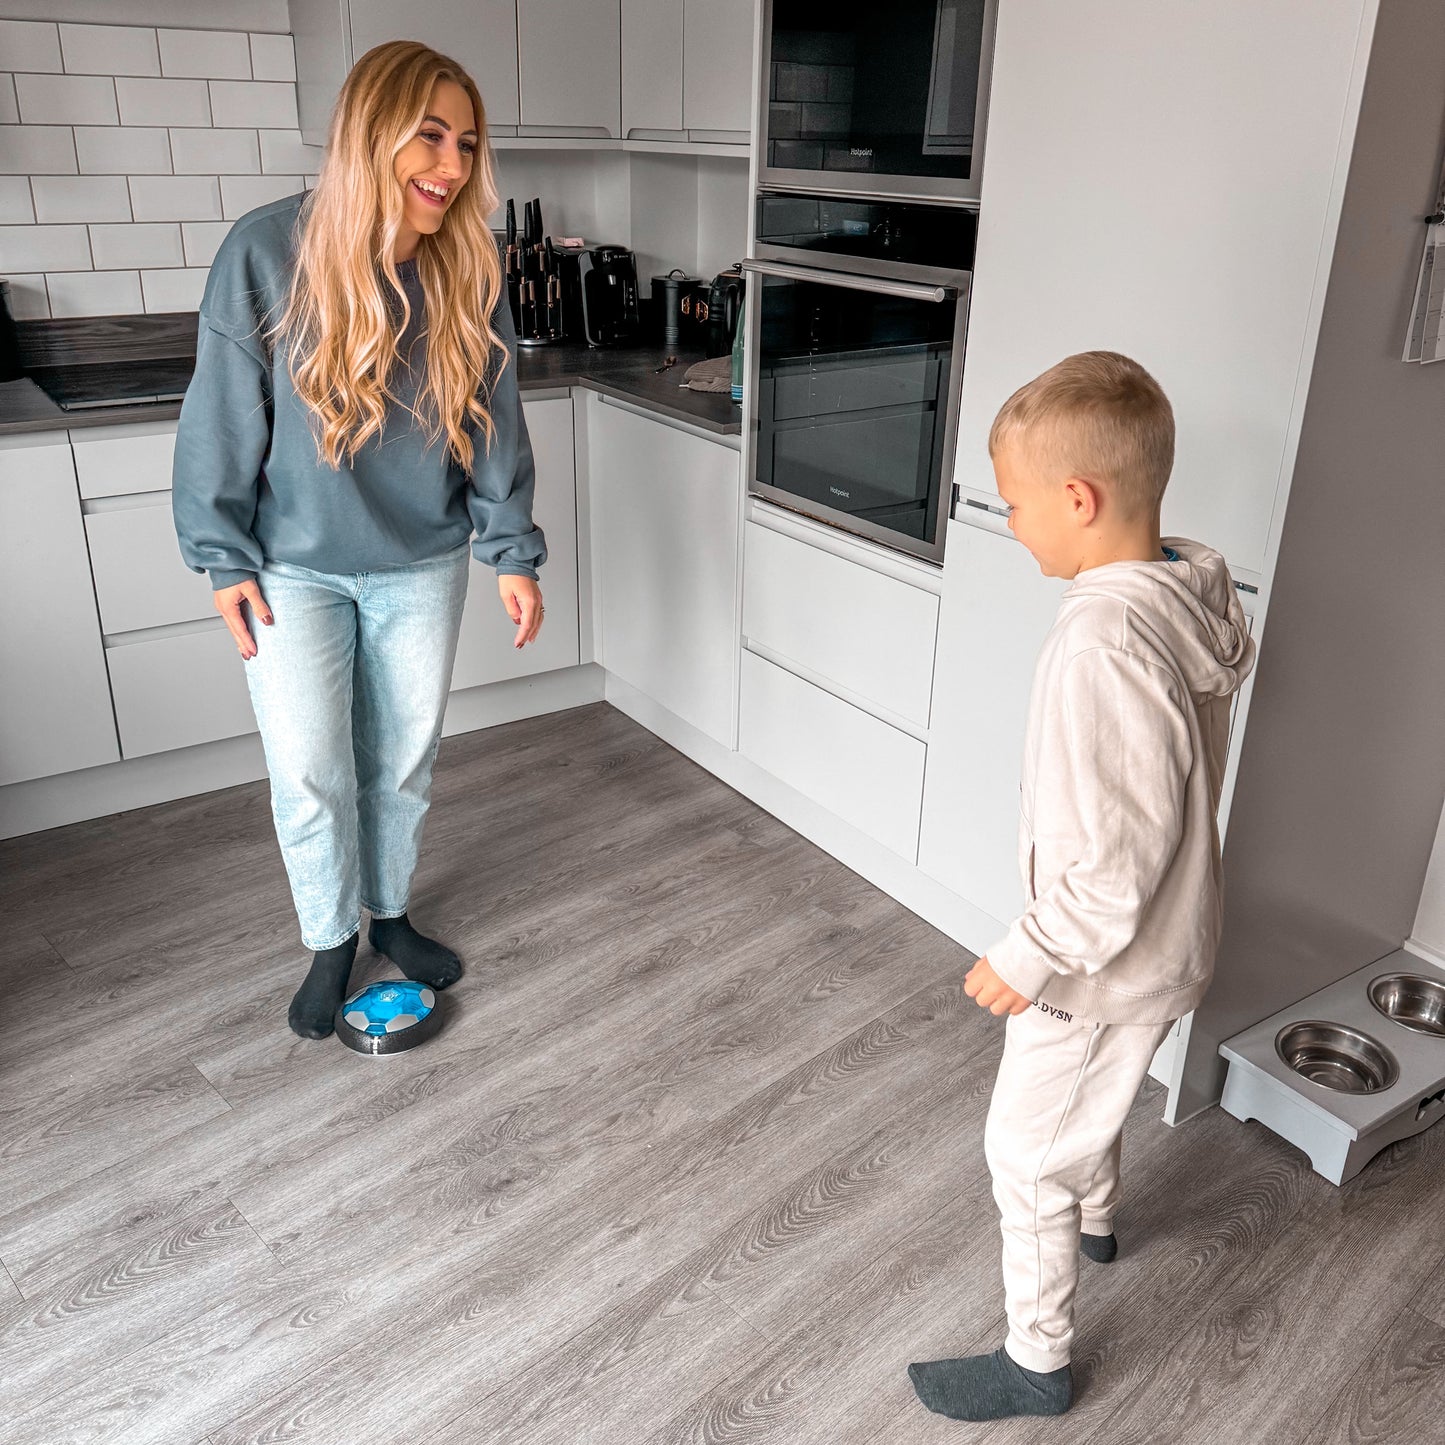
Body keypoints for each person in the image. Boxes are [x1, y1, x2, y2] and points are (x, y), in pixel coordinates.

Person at [172, 40, 546, 1039]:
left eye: (467, 142)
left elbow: (492, 420)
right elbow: (220, 420)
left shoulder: (467, 263)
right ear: (371, 133)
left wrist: (509, 549)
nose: (453, 164)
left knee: (401, 762)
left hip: (421, 562)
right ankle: (330, 938)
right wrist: (221, 557)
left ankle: (388, 913)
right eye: (430, 135)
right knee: (309, 769)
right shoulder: (263, 253)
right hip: (290, 568)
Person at [908, 352, 1256, 1421]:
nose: (1011, 523)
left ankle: (1036, 1360)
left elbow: (1112, 862)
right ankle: (1097, 1216)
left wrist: (1026, 956)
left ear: (1077, 499)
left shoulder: (1100, 643)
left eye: (1015, 505)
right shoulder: (1183, 590)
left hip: (1101, 963)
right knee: (1092, 1098)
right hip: (1167, 942)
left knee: (1023, 1151)